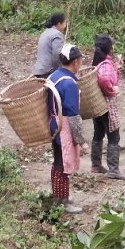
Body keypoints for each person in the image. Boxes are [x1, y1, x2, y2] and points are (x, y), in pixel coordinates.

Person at [46, 45, 86, 215]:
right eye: (81, 61)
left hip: (53, 124)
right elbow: (73, 115)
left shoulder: (54, 76)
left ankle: (58, 197)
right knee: (64, 166)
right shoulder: (69, 84)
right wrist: (81, 141)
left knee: (57, 163)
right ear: (76, 62)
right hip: (64, 128)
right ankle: (63, 202)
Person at [91, 34, 125, 179]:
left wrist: (117, 69)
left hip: (97, 105)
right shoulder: (106, 65)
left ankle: (96, 165)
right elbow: (105, 79)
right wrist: (112, 90)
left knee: (98, 133)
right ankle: (113, 170)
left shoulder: (98, 62)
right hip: (107, 106)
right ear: (109, 49)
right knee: (114, 136)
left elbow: (107, 77)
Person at [34, 12, 68, 77]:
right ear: (59, 24)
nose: (66, 25)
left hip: (39, 70)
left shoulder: (45, 32)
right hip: (48, 71)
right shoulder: (57, 34)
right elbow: (57, 55)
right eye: (65, 22)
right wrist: (62, 70)